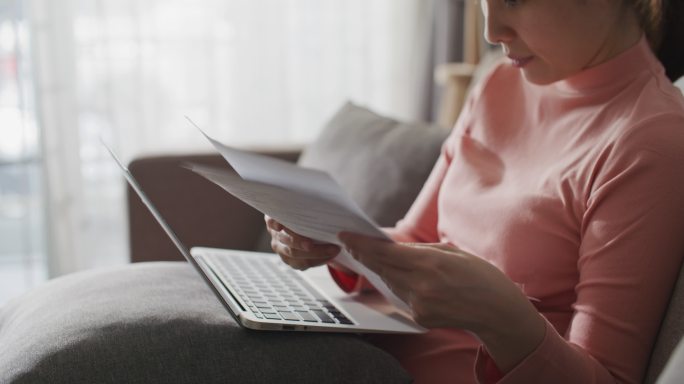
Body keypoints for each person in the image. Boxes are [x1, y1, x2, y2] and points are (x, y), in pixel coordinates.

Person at [266, 0, 684, 382]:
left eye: (514, 1)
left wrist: (504, 320)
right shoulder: (500, 81)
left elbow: (609, 376)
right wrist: (331, 239)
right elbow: (414, 240)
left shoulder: (650, 141)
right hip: (367, 352)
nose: (491, 31)